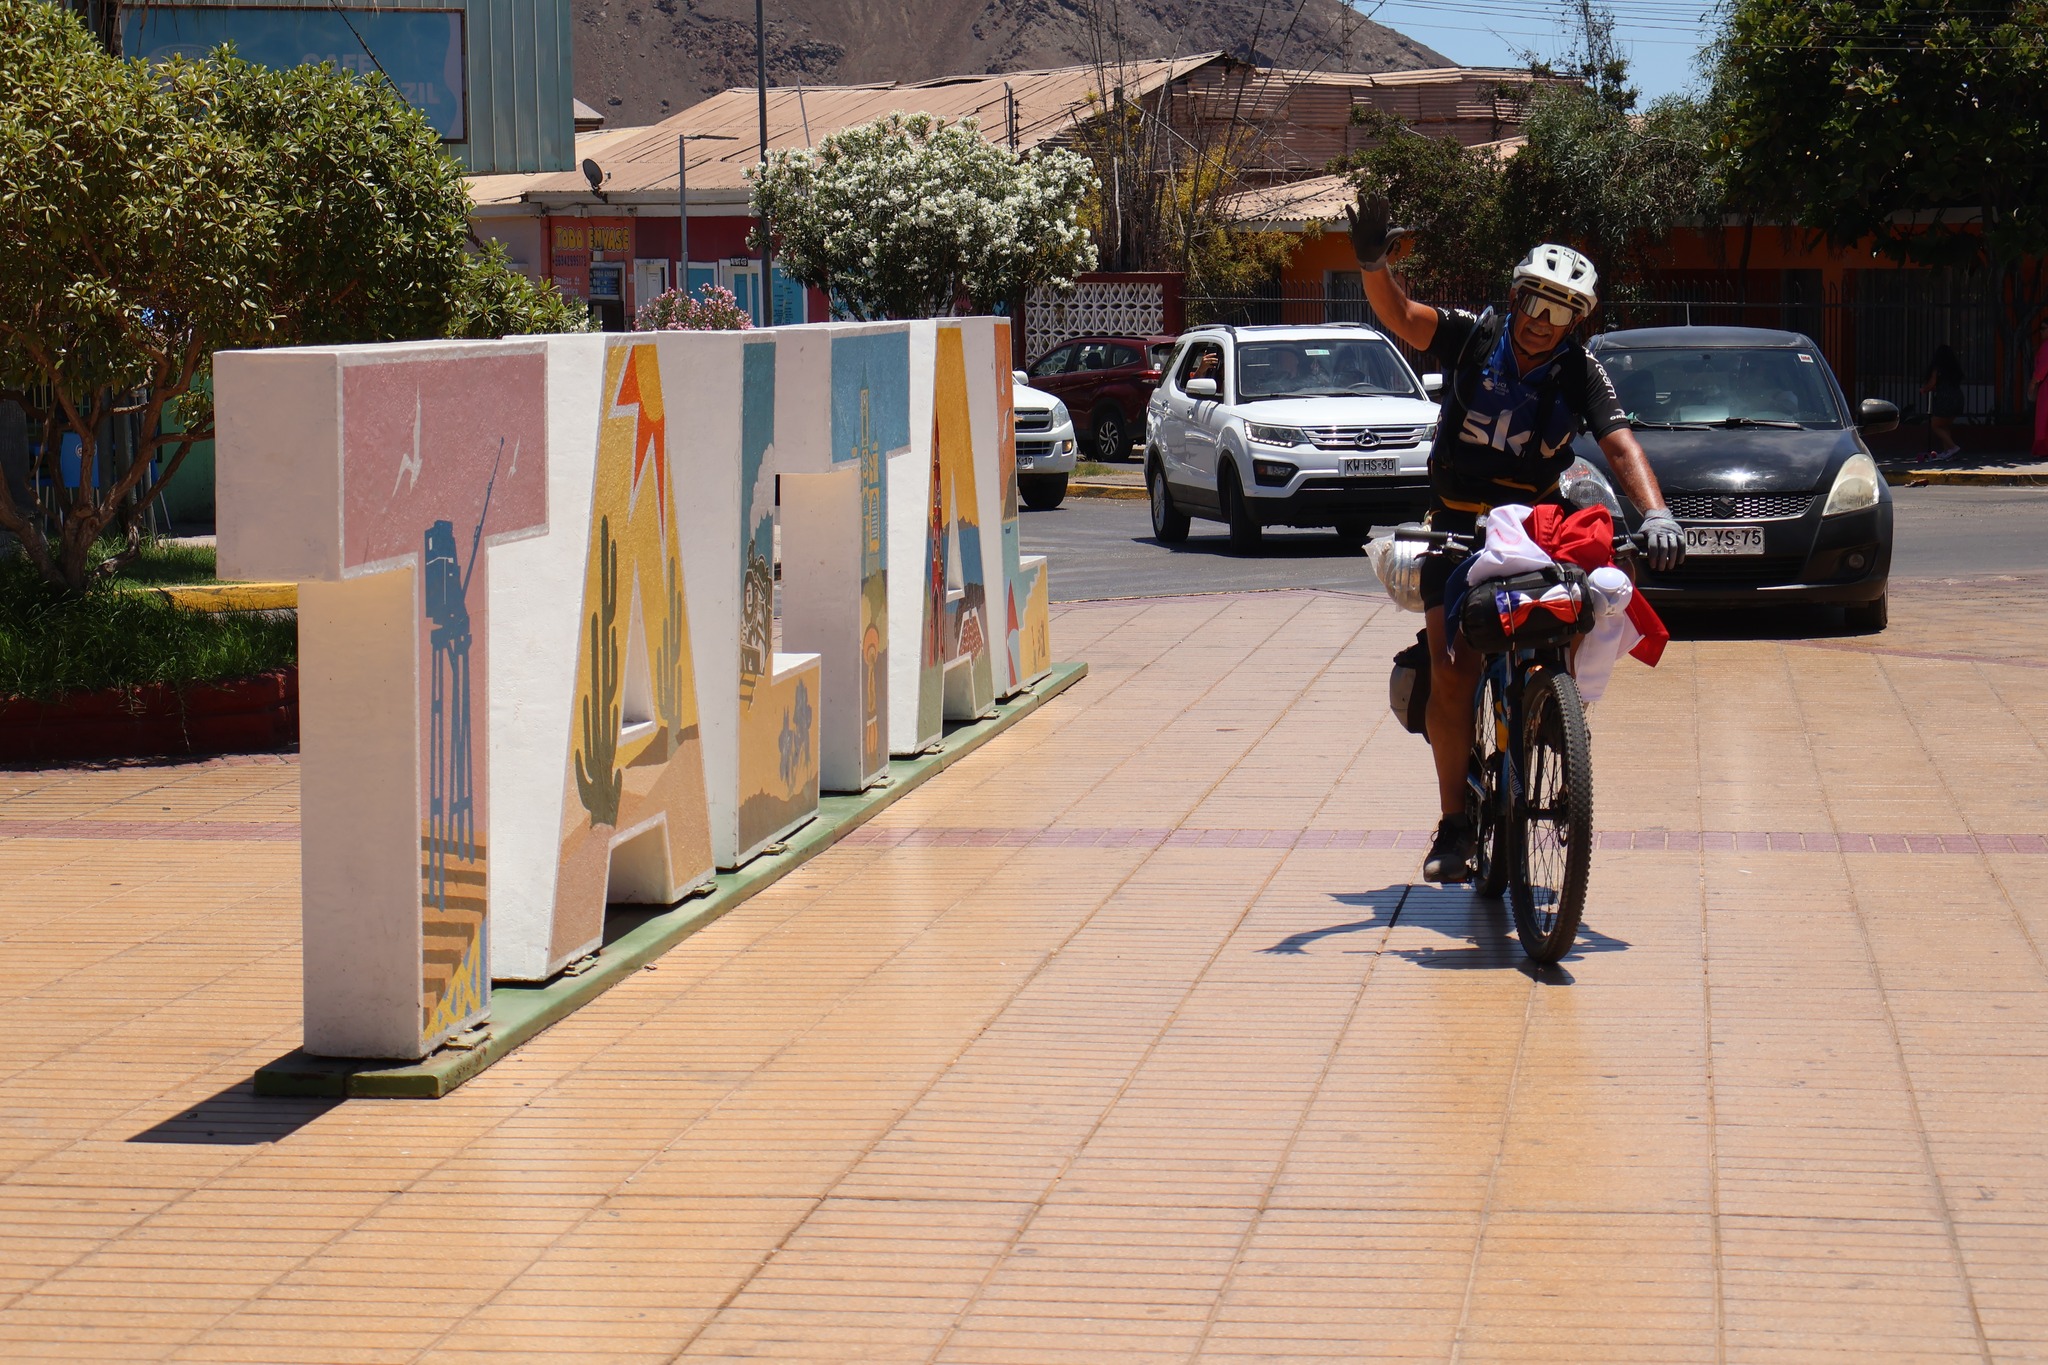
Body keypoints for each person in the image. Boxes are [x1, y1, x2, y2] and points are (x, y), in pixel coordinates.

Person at [1346, 190, 1684, 883]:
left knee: (1570, 618)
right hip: (1460, 526)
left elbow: (1621, 447)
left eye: (1562, 313)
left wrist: (1657, 515)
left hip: (1535, 530)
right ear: (1516, 298)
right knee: (1452, 665)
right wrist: (1373, 264)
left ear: (1578, 324)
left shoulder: (1580, 373)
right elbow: (1403, 316)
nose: (1542, 323)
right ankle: (1454, 824)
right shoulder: (1474, 336)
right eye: (1535, 304)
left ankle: (1549, 712)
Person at [1920, 343, 1965, 461]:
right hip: (1957, 398)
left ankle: (1953, 447)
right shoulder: (1953, 369)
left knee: (1935, 425)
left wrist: (1924, 389)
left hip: (1945, 399)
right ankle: (1948, 452)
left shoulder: (1938, 369)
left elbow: (1932, 383)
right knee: (1944, 425)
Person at [2031, 317, 2048, 459]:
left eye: (2043, 329)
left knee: (2044, 418)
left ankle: (2043, 448)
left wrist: (2033, 383)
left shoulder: (2046, 346)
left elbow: (2042, 370)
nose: (2041, 332)